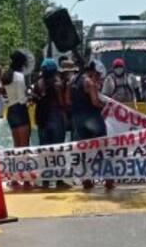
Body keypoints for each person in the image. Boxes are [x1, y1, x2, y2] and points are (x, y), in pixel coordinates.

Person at [70, 59, 114, 191]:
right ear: (93, 71)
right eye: (97, 74)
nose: (98, 77)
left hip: (78, 119)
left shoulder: (73, 81)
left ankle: (86, 180)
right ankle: (108, 179)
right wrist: (105, 105)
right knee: (102, 148)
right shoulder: (89, 82)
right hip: (93, 119)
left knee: (84, 150)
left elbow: (67, 100)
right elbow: (95, 102)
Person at [32, 58, 72, 190]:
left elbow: (34, 100)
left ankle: (45, 181)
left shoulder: (38, 84)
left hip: (42, 119)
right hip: (56, 118)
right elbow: (62, 103)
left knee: (44, 151)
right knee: (58, 150)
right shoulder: (58, 84)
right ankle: (59, 180)